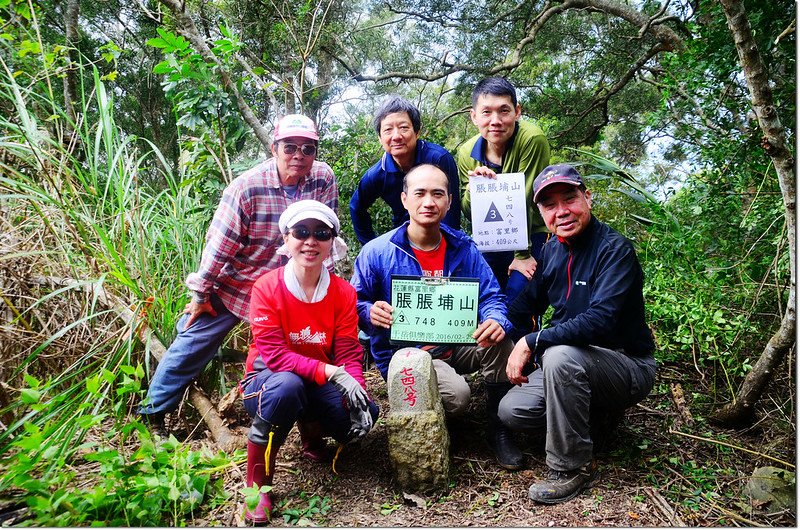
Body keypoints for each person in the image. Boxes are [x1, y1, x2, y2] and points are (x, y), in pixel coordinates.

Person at [137, 114, 339, 433]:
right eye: (290, 147)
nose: (299, 155)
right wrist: (201, 295)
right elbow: (218, 248)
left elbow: (326, 234)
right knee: (193, 339)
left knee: (309, 348)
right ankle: (152, 412)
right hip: (237, 285)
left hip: (288, 289)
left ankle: (305, 425)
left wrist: (323, 290)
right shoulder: (246, 187)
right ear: (274, 148)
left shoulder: (322, 178)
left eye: (308, 148)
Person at [499, 163, 657, 504]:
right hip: (575, 363)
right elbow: (525, 304)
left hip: (626, 363)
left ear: (587, 197)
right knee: (512, 411)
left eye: (569, 198)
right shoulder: (552, 249)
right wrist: (493, 323)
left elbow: (601, 319)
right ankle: (593, 420)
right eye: (550, 205)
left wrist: (532, 341)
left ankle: (571, 466)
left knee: (558, 355)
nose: (562, 212)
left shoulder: (614, 250)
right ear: (541, 213)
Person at [351, 163, 524, 470]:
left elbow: (491, 296)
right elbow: (353, 302)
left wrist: (496, 319)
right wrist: (368, 312)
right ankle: (438, 421)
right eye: (419, 193)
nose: (428, 201)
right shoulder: (377, 252)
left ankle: (499, 428)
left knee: (501, 341)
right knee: (457, 399)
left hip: (456, 341)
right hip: (408, 353)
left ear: (448, 201)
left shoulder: (463, 247)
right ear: (405, 199)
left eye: (437, 194)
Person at [241, 200, 379, 523]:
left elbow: (347, 352)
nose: (310, 241)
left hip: (316, 380)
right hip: (267, 381)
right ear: (286, 240)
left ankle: (311, 431)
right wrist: (330, 371)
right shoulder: (266, 288)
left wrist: (355, 389)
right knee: (288, 387)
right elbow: (274, 355)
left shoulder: (344, 293)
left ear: (332, 242)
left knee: (364, 410)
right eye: (301, 232)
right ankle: (257, 487)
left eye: (321, 233)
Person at [456, 77, 551, 302]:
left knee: (517, 300)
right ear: (474, 116)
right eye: (486, 112)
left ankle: (525, 338)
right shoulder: (466, 152)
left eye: (504, 111)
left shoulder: (532, 138)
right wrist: (475, 188)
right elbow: (469, 212)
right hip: (491, 237)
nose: (495, 121)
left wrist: (523, 255)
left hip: (533, 232)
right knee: (485, 299)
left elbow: (526, 197)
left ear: (517, 112)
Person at [350, 95, 461, 245]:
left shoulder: (439, 159)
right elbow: (357, 208)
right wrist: (370, 246)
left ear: (417, 132)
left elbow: (451, 211)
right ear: (380, 137)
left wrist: (447, 249)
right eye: (388, 130)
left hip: (440, 240)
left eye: (403, 128)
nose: (396, 136)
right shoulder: (376, 175)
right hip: (403, 242)